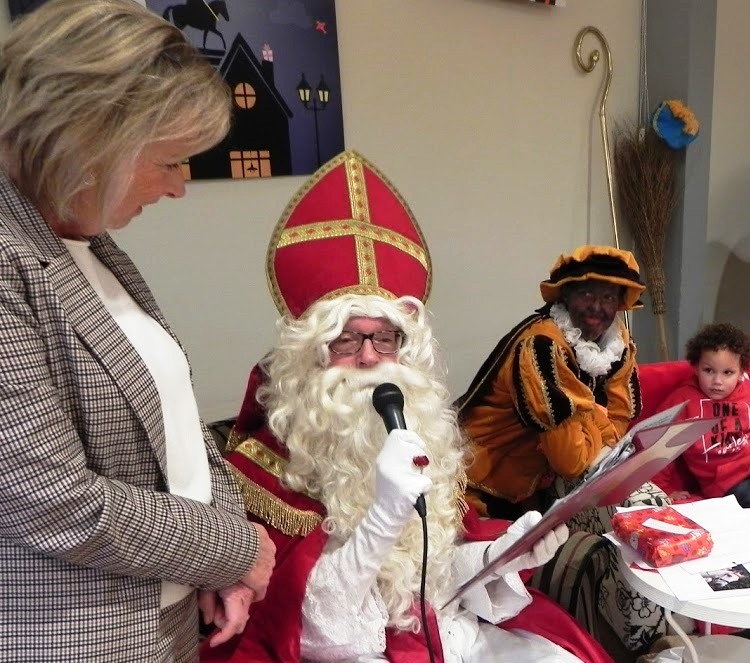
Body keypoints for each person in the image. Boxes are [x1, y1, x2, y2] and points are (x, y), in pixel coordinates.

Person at [201, 150, 613, 662]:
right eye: (348, 341)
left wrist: (499, 556)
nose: (371, 358)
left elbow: (431, 579)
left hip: (443, 633)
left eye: (386, 338)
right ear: (310, 355)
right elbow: (317, 635)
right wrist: (383, 515)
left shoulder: (419, 428)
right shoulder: (263, 468)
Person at [0, 1, 275, 660]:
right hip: (73, 637)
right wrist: (236, 546)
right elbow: (51, 499)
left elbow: (176, 424)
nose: (181, 187)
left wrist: (219, 561)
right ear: (89, 142)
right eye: (172, 160)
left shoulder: (88, 244)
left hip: (164, 619)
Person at [457, 245, 645, 517]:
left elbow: (620, 416)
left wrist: (590, 425)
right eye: (586, 293)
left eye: (607, 297)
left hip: (535, 484)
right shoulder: (542, 347)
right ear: (566, 296)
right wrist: (596, 418)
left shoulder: (617, 343)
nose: (596, 307)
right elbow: (571, 460)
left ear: (619, 303)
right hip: (482, 487)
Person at [656, 323, 750, 521]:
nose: (717, 381)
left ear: (741, 371)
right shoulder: (682, 401)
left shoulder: (746, 392)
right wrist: (664, 489)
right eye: (709, 370)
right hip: (723, 481)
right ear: (695, 366)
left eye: (728, 373)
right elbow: (659, 445)